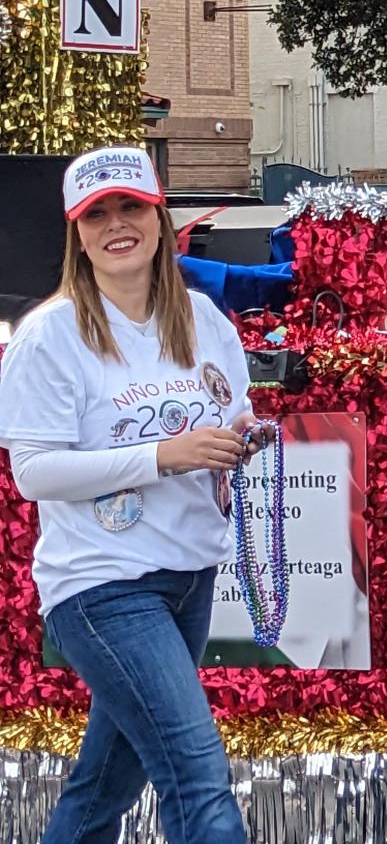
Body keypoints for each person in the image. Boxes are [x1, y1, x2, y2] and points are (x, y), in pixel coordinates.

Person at [0, 146, 273, 844]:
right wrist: (163, 456)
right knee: (197, 781)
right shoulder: (47, 336)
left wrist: (239, 436)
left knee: (102, 791)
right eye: (97, 214)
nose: (117, 225)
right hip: (101, 589)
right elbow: (33, 471)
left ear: (160, 217)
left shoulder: (207, 321)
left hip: (188, 576)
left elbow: (227, 415)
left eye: (131, 206)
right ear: (76, 232)